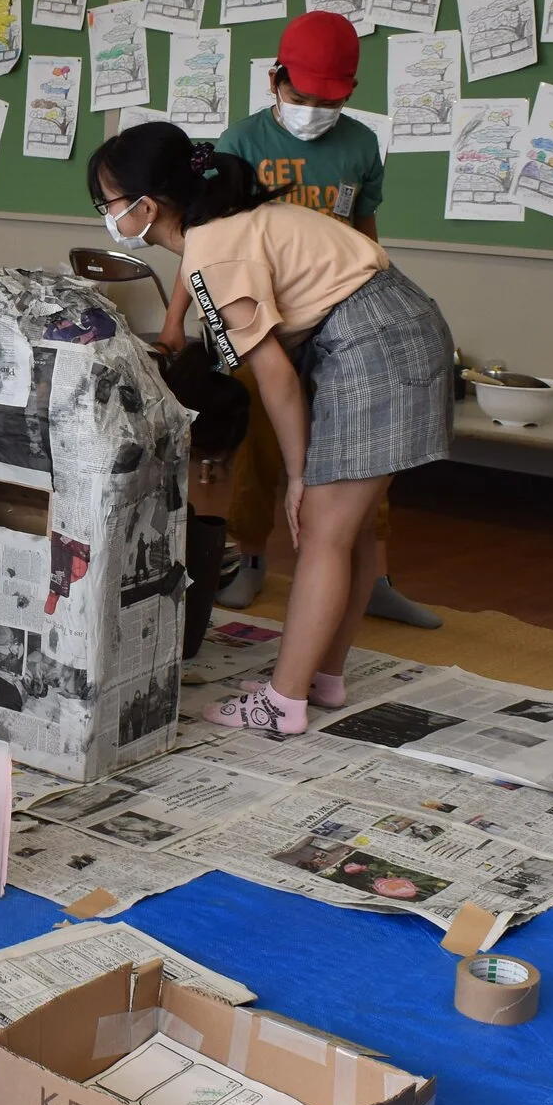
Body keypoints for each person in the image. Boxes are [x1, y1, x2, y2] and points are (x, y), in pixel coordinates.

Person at [91, 122, 453, 736]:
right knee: (351, 529)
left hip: (375, 350)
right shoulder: (225, 224)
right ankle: (325, 675)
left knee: (322, 530)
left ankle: (283, 703)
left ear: (146, 206)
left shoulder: (213, 254)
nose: (108, 215)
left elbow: (277, 381)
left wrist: (296, 474)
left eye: (109, 203)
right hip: (400, 330)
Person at [165, 9, 440, 631]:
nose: (312, 108)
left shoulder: (362, 144)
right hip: (259, 316)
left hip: (341, 319)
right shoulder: (243, 141)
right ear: (274, 80)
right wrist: (175, 319)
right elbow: (206, 245)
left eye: (328, 99)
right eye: (300, 95)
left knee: (366, 451)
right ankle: (254, 559)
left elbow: (364, 227)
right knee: (263, 445)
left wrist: (382, 285)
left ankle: (376, 579)